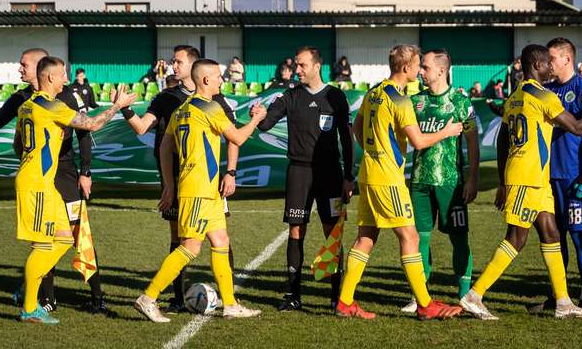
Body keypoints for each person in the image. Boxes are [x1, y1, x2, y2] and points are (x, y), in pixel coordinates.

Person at [460, 44, 582, 321]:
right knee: (516, 239)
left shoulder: (515, 96)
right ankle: (474, 295)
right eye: (547, 63)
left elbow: (503, 139)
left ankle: (563, 302)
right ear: (537, 65)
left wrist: (503, 181)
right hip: (528, 178)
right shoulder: (543, 96)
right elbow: (576, 127)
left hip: (532, 178)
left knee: (551, 233)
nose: (551, 67)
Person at [336, 44, 464, 321]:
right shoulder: (401, 101)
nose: (419, 70)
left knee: (366, 238)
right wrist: (447, 131)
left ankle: (345, 302)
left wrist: (373, 149)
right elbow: (418, 141)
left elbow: (356, 127)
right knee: (410, 237)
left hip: (369, 174)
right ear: (406, 68)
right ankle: (425, 304)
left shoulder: (374, 92)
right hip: (387, 178)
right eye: (418, 65)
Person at [134, 59, 266, 322]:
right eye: (218, 76)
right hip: (198, 189)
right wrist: (256, 119)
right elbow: (237, 138)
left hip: (206, 189)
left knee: (220, 241)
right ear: (205, 80)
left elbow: (164, 147)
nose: (221, 80)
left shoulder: (182, 109)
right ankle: (148, 298)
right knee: (190, 248)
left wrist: (170, 184)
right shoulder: (211, 107)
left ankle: (229, 304)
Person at [117, 44, 239, 312]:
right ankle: (173, 297)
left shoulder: (214, 101)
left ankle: (228, 301)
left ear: (194, 67)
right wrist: (124, 109)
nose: (173, 65)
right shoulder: (166, 98)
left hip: (210, 180)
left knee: (219, 238)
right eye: (173, 61)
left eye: (178, 61)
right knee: (183, 240)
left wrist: (230, 172)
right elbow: (142, 128)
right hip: (183, 180)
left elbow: (233, 139)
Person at [14, 56, 136, 324]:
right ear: (49, 78)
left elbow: (17, 145)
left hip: (42, 181)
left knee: (66, 238)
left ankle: (30, 284)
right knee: (44, 245)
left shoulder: (26, 106)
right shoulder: (52, 106)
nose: (65, 80)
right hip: (37, 183)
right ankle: (30, 305)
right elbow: (91, 125)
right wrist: (117, 105)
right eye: (62, 76)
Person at [256, 46, 354, 311]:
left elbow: (346, 138)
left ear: (316, 66)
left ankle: (336, 297)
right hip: (299, 171)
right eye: (296, 66)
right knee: (296, 229)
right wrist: (259, 113)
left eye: (301, 65)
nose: (296, 70)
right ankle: (293, 295)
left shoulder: (336, 97)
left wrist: (349, 177)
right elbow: (265, 125)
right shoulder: (290, 96)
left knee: (331, 232)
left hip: (330, 173)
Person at [400, 49, 479, 313]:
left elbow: (472, 140)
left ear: (441, 71)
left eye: (424, 67)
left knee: (458, 238)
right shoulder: (416, 101)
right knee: (419, 238)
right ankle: (419, 296)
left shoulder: (459, 100)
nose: (420, 71)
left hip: (450, 181)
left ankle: (465, 295)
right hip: (420, 181)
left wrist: (472, 179)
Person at [534, 38, 582, 312]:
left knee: (578, 235)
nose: (548, 63)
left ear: (566, 59)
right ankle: (558, 295)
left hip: (574, 177)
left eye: (552, 58)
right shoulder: (546, 90)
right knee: (554, 237)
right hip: (547, 178)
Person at [0, 48, 49, 135]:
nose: (20, 69)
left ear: (40, 67)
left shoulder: (63, 93)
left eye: (24, 65)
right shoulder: (18, 98)